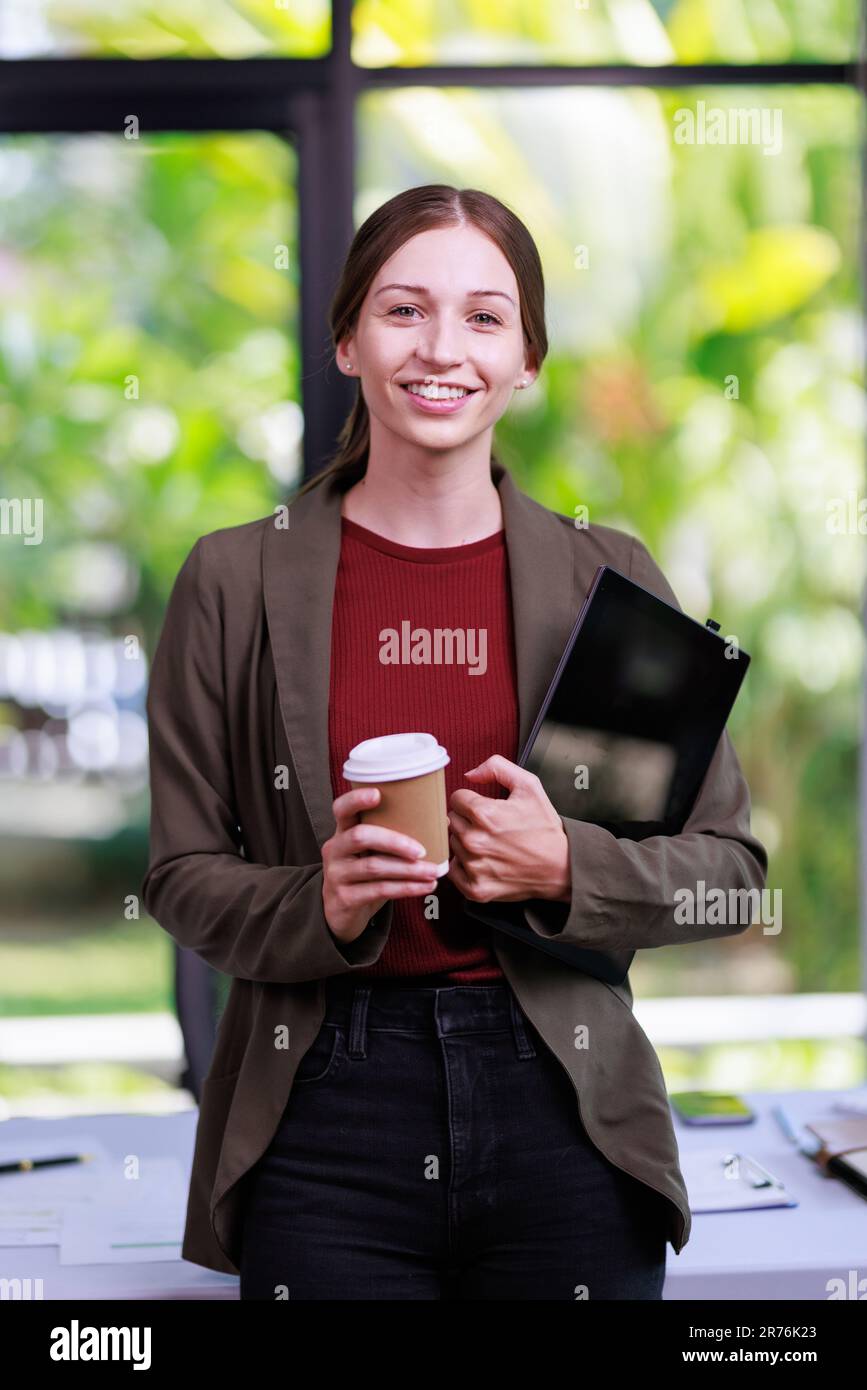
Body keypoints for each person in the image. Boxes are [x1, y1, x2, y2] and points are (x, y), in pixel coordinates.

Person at [142, 184, 768, 1300]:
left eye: (485, 317)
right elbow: (182, 878)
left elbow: (730, 875)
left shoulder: (608, 577)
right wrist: (318, 904)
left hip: (564, 1101)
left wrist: (568, 866)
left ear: (527, 359)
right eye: (402, 310)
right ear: (347, 338)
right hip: (324, 1104)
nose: (442, 349)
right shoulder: (233, 578)